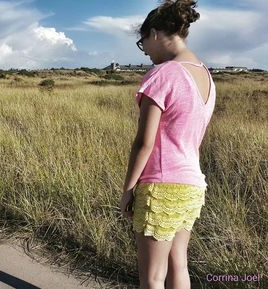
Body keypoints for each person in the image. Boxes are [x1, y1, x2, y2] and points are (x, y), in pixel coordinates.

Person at [118, 1, 216, 288]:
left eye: (143, 42)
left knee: (152, 278)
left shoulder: (163, 74)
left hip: (161, 187)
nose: (145, 50)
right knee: (178, 267)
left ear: (156, 33)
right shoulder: (206, 76)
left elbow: (143, 143)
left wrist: (127, 191)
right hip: (192, 187)